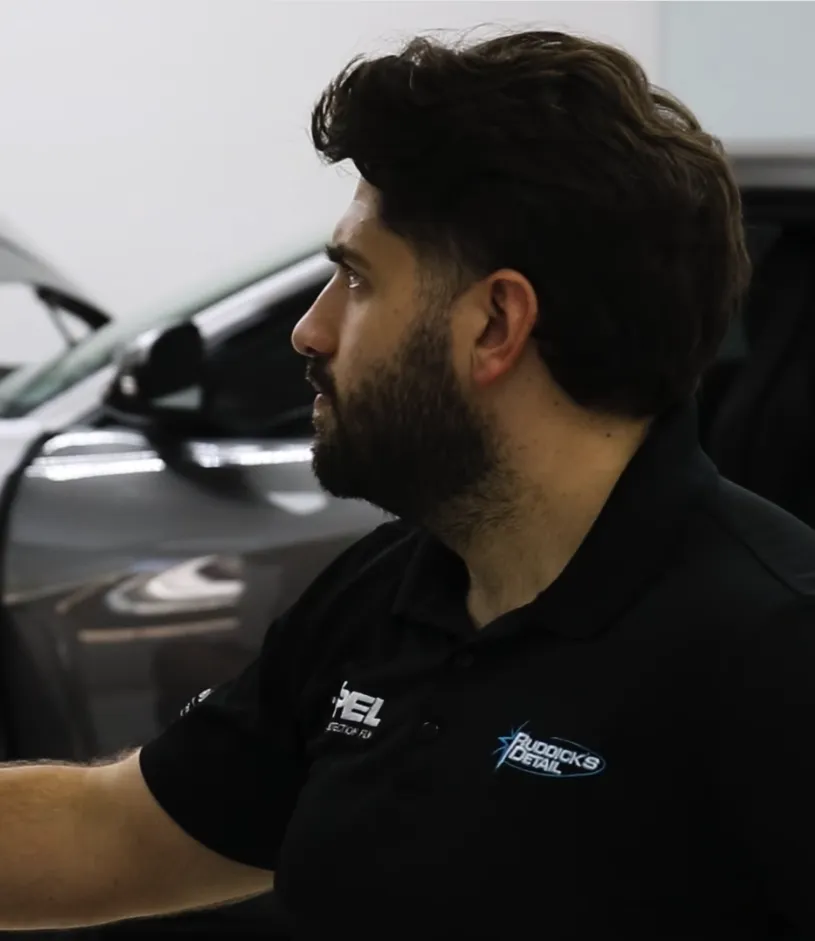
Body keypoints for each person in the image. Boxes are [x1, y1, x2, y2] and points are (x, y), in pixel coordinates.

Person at [0, 28, 812, 941]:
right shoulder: (387, 594)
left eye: (356, 278)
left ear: (495, 322)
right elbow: (120, 830)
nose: (311, 330)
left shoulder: (772, 651)